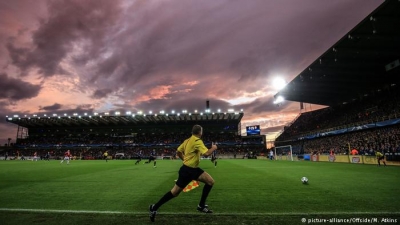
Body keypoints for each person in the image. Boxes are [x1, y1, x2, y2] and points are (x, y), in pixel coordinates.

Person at [149, 125, 217, 222]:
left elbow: (178, 151)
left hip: (189, 169)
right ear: (200, 132)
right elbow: (206, 153)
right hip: (189, 171)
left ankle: (201, 206)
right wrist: (214, 148)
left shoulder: (187, 141)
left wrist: (184, 159)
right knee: (175, 192)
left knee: (210, 181)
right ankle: (154, 207)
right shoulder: (197, 141)